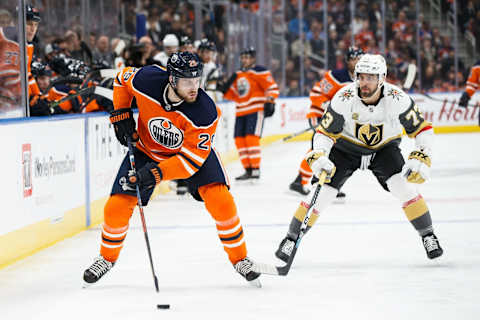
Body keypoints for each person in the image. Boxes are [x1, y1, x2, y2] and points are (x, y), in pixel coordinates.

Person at [83, 51, 261, 286]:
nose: (194, 87)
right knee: (116, 207)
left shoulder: (205, 112)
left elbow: (190, 162)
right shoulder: (147, 79)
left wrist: (156, 174)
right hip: (147, 150)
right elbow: (121, 80)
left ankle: (240, 260)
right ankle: (106, 259)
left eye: (197, 80)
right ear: (172, 79)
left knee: (222, 202)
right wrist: (121, 112)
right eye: (188, 81)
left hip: (191, 156)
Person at [275, 54, 443, 264]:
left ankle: (428, 236)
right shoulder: (343, 97)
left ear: (381, 78)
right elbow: (324, 133)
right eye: (361, 77)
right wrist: (319, 154)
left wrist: (422, 154)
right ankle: (291, 239)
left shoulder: (398, 98)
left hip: (384, 150)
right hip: (346, 150)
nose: (365, 82)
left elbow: (423, 129)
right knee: (320, 196)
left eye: (371, 77)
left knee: (405, 189)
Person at [289, 46, 364, 197]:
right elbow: (316, 94)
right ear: (347, 61)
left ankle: (326, 184)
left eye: (359, 59)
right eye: (354, 59)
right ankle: (300, 181)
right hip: (321, 114)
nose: (357, 62)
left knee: (336, 151)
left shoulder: (364, 79)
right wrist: (329, 107)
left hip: (339, 120)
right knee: (319, 148)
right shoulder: (335, 76)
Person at [219, 47, 279, 180]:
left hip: (255, 109)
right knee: (239, 140)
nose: (244, 60)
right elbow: (235, 95)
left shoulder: (259, 71)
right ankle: (248, 169)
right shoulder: (238, 74)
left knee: (251, 138)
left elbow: (271, 87)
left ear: (253, 59)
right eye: (243, 57)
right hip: (241, 110)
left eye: (247, 57)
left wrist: (270, 101)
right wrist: (224, 90)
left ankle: (255, 169)